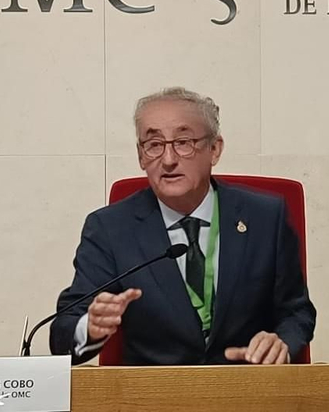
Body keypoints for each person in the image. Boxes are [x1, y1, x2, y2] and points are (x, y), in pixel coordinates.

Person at [50, 87, 315, 365]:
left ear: (214, 149)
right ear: (141, 156)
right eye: (153, 145)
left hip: (248, 392)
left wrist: (281, 341)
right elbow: (63, 331)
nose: (168, 160)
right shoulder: (110, 229)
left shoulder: (265, 218)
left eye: (183, 142)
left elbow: (296, 312)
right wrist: (89, 328)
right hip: (153, 399)